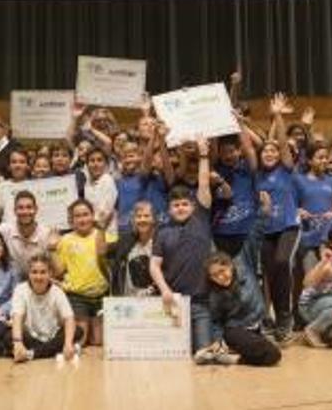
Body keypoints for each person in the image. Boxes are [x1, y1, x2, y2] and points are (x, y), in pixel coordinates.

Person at [245, 94, 302, 339]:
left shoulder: (286, 170)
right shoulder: (257, 175)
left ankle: (285, 317)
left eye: (273, 151)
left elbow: (279, 140)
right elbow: (248, 146)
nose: (269, 153)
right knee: (269, 273)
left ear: (280, 155)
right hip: (266, 230)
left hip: (288, 227)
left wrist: (277, 115)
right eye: (265, 151)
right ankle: (275, 321)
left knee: (281, 263)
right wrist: (239, 123)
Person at [150, 139, 215, 353]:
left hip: (200, 304)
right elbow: (154, 265)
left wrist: (204, 155)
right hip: (173, 302)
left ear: (194, 205)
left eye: (185, 204)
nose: (180, 208)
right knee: (173, 355)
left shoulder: (201, 217)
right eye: (176, 205)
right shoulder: (162, 230)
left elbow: (204, 183)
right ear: (169, 208)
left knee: (203, 353)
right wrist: (165, 290)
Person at [201, 252, 281, 366]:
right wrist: (217, 340)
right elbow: (216, 321)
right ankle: (231, 358)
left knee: (270, 352)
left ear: (230, 266)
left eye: (222, 271)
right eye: (214, 275)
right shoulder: (215, 294)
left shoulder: (246, 271)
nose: (220, 277)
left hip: (259, 326)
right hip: (235, 330)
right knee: (273, 354)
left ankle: (230, 358)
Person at [54, 200, 110, 346]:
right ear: (71, 220)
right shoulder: (65, 240)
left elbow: (105, 255)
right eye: (77, 216)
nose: (82, 219)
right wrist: (52, 249)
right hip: (77, 296)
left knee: (99, 342)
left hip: (101, 295)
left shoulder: (102, 234)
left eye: (86, 214)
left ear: (92, 216)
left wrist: (102, 229)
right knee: (81, 341)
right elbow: (58, 271)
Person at [12, 254, 80, 363]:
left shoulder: (57, 291)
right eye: (34, 272)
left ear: (50, 274)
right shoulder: (20, 290)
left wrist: (67, 343)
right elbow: (17, 317)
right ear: (29, 274)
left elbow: (69, 318)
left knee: (77, 331)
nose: (38, 277)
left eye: (43, 272)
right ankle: (52, 350)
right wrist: (18, 342)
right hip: (31, 336)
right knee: (7, 335)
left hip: (52, 335)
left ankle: (30, 354)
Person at [299, 227, 332, 348]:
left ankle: (329, 331)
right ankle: (312, 329)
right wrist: (323, 263)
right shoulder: (328, 264)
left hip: (329, 304)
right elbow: (306, 283)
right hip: (309, 306)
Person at [109, 201, 158, 296]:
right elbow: (102, 252)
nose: (142, 220)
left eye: (146, 216)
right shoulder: (125, 241)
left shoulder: (162, 241)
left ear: (154, 219)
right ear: (133, 220)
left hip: (156, 301)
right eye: (138, 216)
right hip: (128, 302)